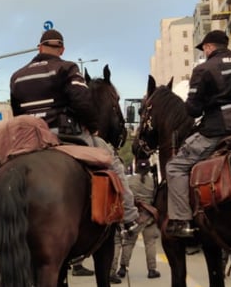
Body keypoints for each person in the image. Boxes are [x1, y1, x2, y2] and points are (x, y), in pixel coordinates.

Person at [9, 28, 138, 272]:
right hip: (63, 135)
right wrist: (93, 127)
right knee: (111, 161)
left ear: (39, 48)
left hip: (30, 138)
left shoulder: (17, 76)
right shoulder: (67, 68)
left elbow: (18, 112)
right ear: (62, 50)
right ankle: (129, 219)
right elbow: (81, 101)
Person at [164, 30, 231, 238]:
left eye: (204, 48)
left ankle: (182, 221)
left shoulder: (204, 70)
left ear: (209, 47)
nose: (204, 52)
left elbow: (193, 110)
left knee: (175, 167)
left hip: (218, 132)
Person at [112, 157, 161, 283]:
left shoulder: (129, 180)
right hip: (149, 215)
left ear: (136, 168)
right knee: (150, 243)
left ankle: (123, 268)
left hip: (134, 216)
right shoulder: (153, 182)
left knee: (128, 242)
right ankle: (152, 269)